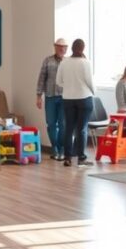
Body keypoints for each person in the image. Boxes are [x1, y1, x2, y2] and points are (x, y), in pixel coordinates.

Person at [55, 38, 94, 168]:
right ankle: (81, 158)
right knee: (82, 129)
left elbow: (58, 82)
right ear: (83, 49)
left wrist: (69, 86)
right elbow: (90, 81)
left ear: (71, 48)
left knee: (69, 128)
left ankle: (67, 158)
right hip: (84, 98)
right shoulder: (85, 62)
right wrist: (94, 92)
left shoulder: (64, 62)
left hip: (68, 99)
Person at [36, 38, 68, 160]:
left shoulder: (68, 62)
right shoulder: (48, 61)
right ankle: (54, 148)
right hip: (50, 96)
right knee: (51, 124)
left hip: (65, 97)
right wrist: (38, 96)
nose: (62, 49)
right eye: (59, 46)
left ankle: (62, 149)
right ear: (55, 47)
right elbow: (41, 79)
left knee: (63, 124)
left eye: (64, 47)